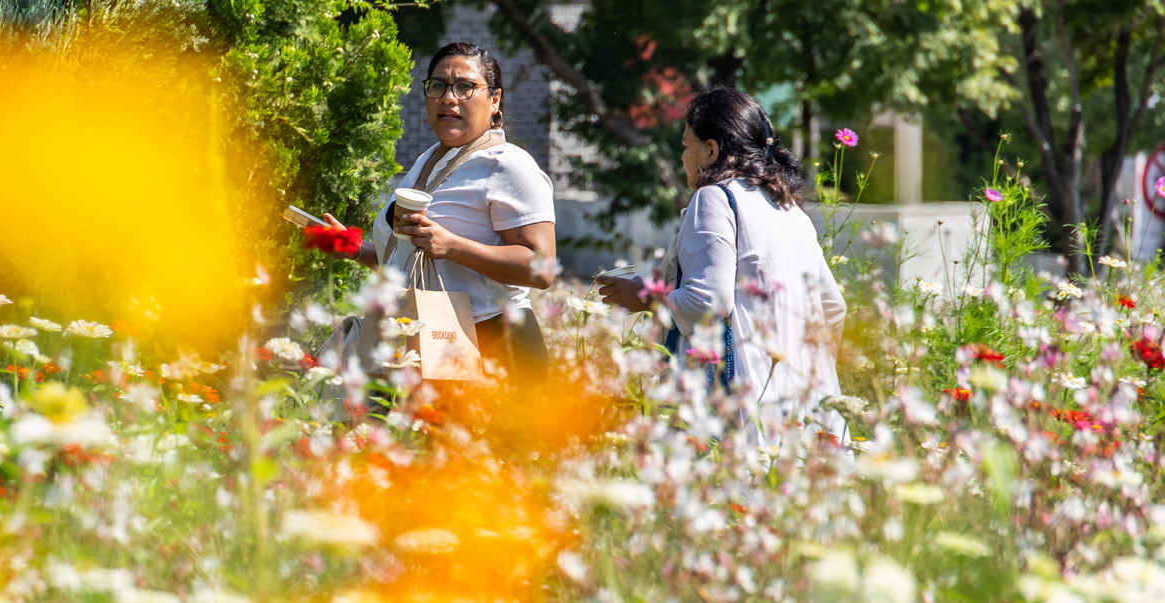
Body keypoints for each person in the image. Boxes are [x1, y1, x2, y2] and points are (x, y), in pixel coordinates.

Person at [597, 86, 847, 436]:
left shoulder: (715, 198)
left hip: (746, 410)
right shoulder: (790, 209)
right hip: (813, 414)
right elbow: (834, 308)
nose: (682, 156)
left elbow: (706, 302)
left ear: (710, 150)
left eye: (686, 146)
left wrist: (641, 296)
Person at [325, 42, 559, 372]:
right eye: (438, 86)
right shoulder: (427, 161)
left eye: (465, 86)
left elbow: (542, 268)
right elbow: (407, 260)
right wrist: (352, 249)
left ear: (495, 100)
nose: (449, 97)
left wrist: (452, 246)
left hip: (493, 346)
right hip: (432, 341)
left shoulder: (508, 165)